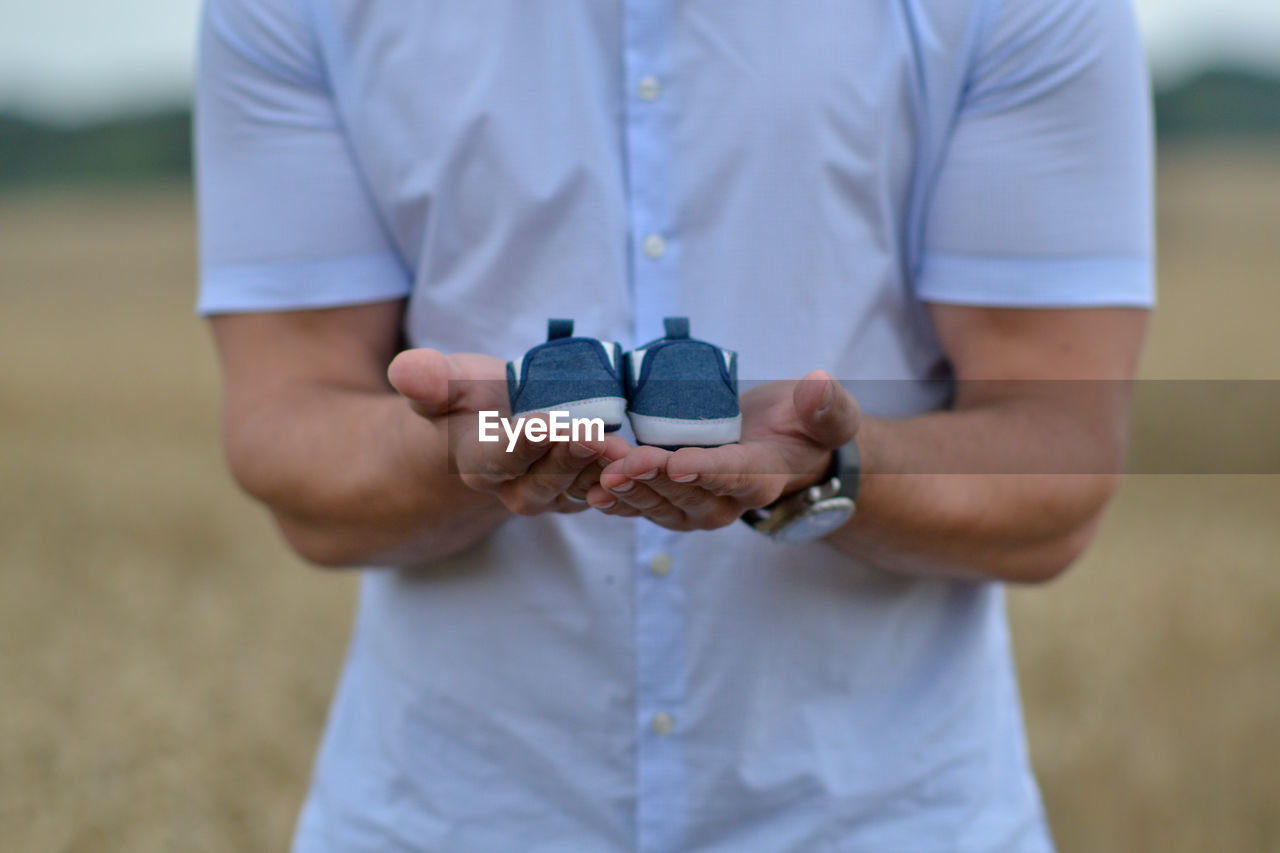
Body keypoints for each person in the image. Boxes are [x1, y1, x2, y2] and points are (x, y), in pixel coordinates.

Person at [196, 0, 1153, 849]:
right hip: (441, 814)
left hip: (889, 819)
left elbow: (1057, 473)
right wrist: (457, 452)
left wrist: (829, 471)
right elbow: (291, 444)